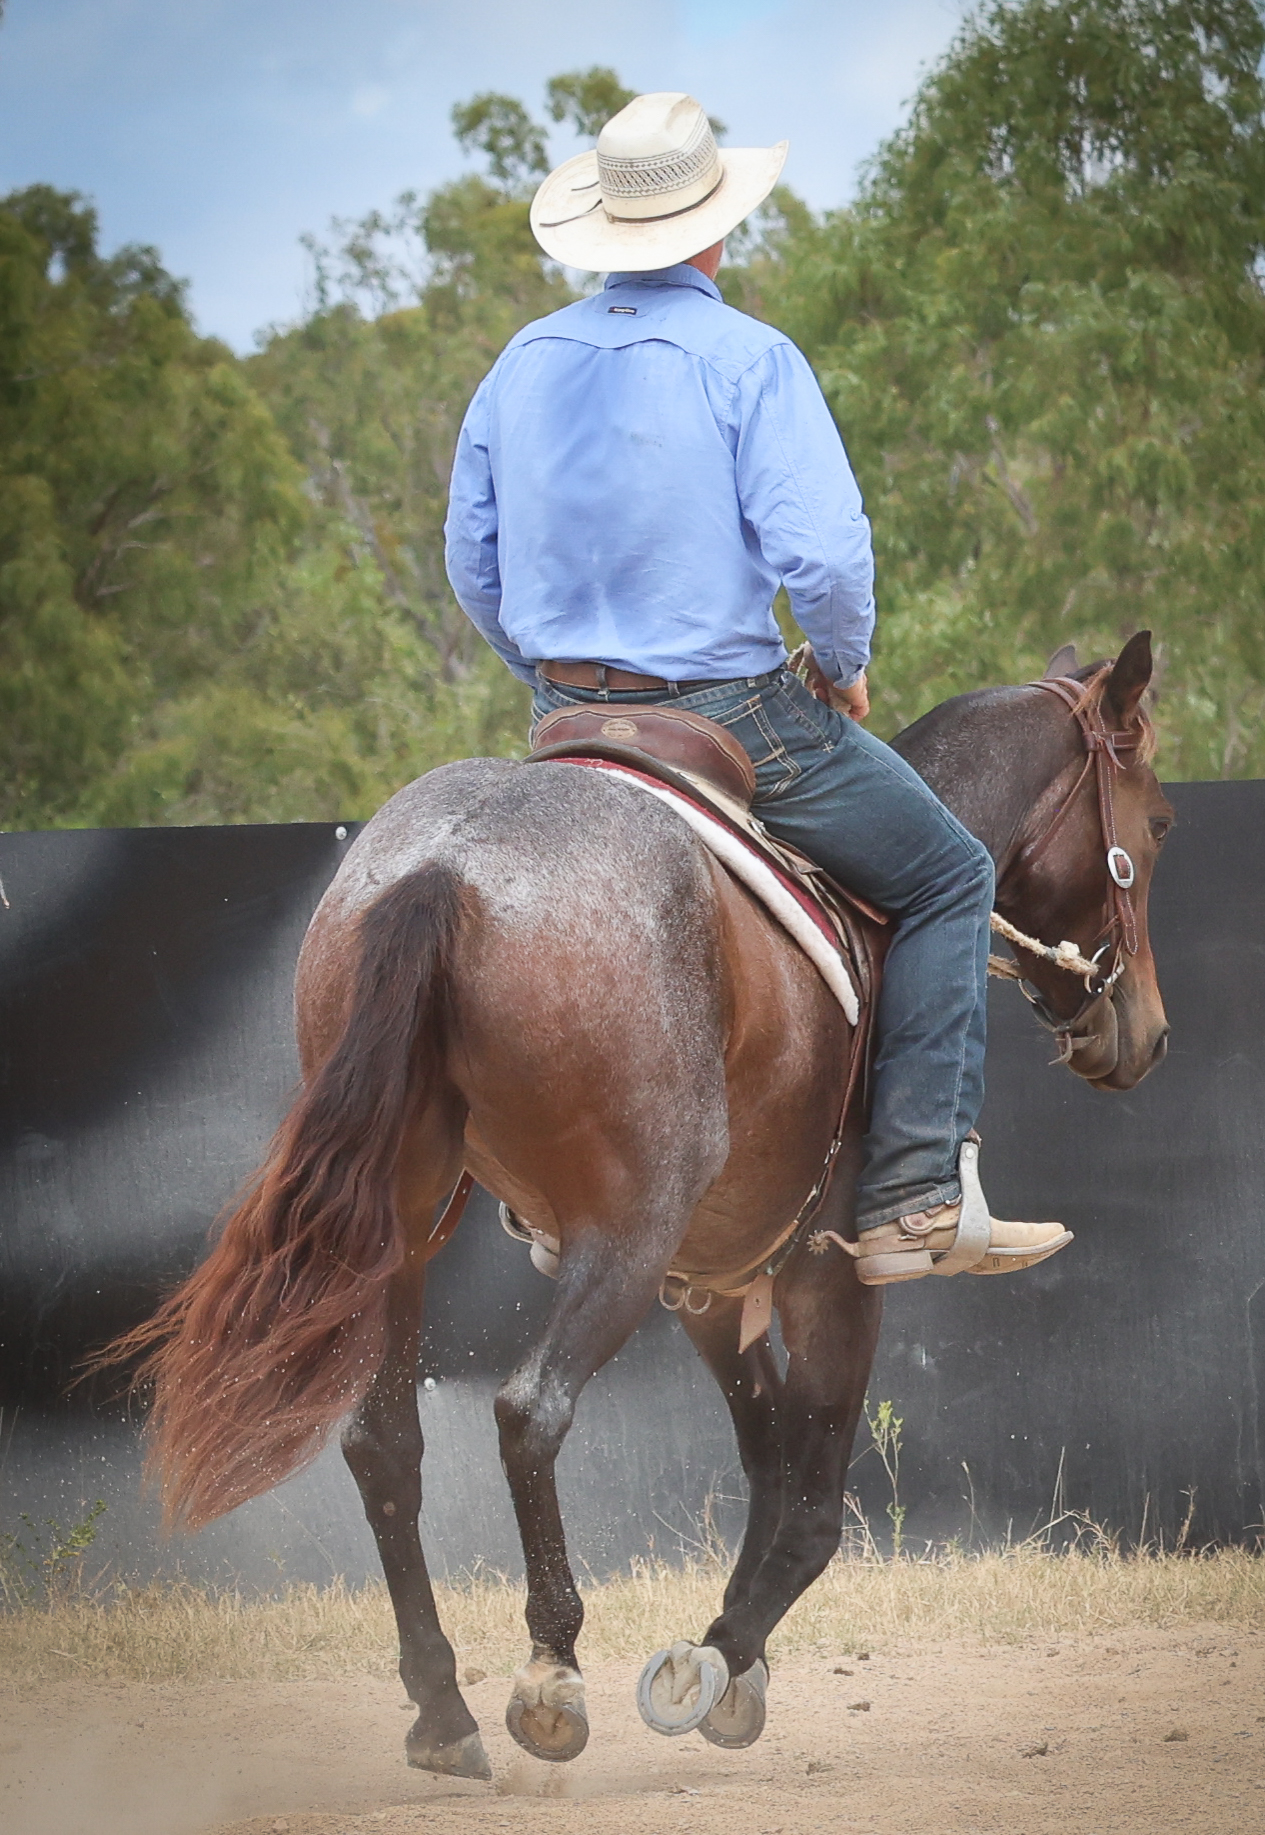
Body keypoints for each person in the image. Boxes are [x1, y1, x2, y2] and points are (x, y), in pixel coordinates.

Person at [445, 92, 1068, 1285]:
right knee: (951, 874)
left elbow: (472, 562)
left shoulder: (520, 362)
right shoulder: (750, 359)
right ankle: (916, 1194)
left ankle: (540, 1190)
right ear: (717, 230)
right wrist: (840, 663)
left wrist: (550, 675)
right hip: (727, 718)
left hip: (568, 721)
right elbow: (823, 560)